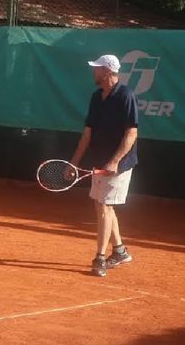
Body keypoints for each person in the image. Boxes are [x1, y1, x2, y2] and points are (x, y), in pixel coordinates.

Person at [70, 54, 138, 277]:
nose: (94, 72)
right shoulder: (96, 97)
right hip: (99, 161)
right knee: (102, 206)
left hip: (119, 163)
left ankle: (100, 258)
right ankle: (119, 251)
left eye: (97, 68)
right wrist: (74, 162)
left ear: (107, 72)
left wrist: (115, 161)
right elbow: (88, 132)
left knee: (105, 206)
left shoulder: (125, 96)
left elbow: (131, 133)